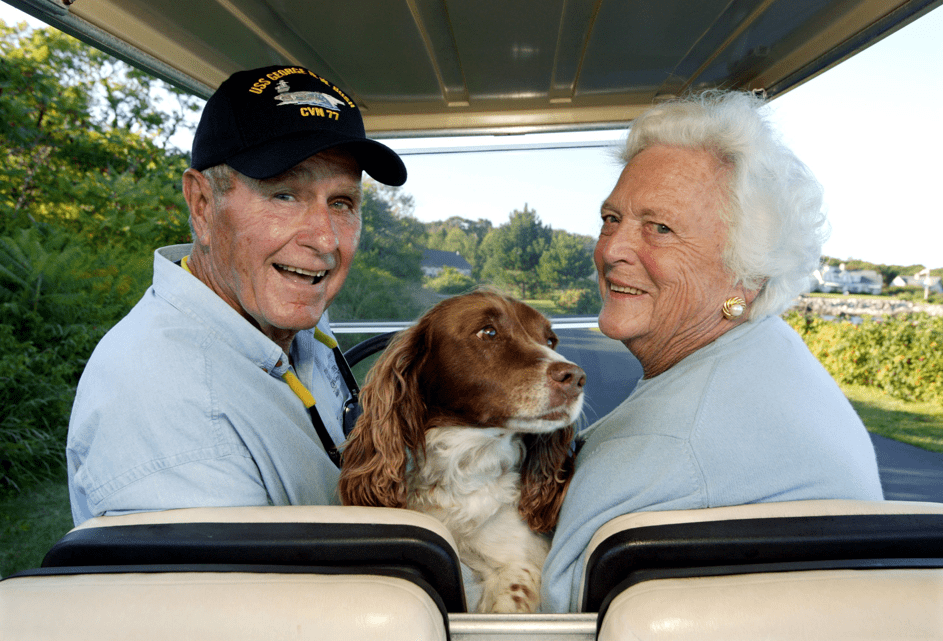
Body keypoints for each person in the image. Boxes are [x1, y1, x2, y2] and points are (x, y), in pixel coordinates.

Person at [541, 90, 883, 612]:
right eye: (612, 218)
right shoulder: (773, 353)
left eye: (659, 228)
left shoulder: (669, 442)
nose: (611, 249)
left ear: (745, 275)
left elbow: (548, 613)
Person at [66, 65, 407, 525]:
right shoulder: (173, 405)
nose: (325, 240)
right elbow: (240, 596)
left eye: (342, 203)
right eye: (284, 195)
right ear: (202, 204)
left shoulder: (279, 310)